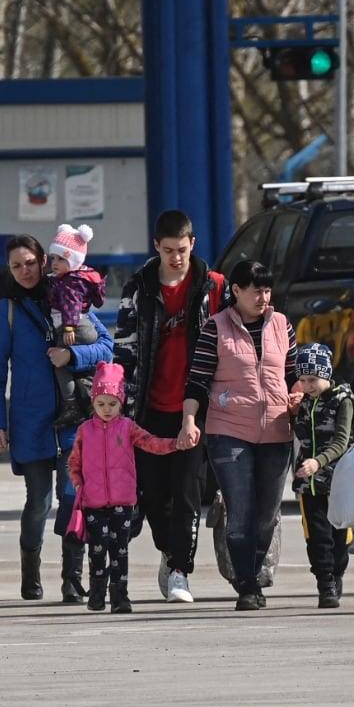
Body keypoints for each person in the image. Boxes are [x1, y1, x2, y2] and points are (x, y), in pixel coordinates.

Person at [0, 234, 114, 603]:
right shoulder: (6, 311)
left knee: (73, 498)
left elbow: (107, 347)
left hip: (75, 419)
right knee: (38, 501)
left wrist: (73, 358)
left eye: (30, 262)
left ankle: (72, 578)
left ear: (44, 260)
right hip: (31, 422)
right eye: (16, 265)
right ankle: (30, 570)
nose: (25, 270)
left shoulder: (72, 296)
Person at [114, 209, 225, 604]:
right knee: (152, 495)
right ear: (156, 247)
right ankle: (169, 551)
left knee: (188, 492)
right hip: (149, 407)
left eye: (182, 249)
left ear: (192, 244)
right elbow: (124, 347)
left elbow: (234, 342)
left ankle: (181, 570)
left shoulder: (213, 287)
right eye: (168, 251)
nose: (176, 258)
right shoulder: (139, 287)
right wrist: (120, 408)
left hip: (195, 407)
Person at [181, 259, 298, 612]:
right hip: (228, 431)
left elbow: (294, 373)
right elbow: (197, 381)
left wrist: (298, 394)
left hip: (277, 431)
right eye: (254, 290)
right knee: (241, 511)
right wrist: (189, 420)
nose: (262, 297)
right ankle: (247, 584)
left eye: (266, 289)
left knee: (266, 515)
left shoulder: (282, 326)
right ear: (236, 291)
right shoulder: (215, 328)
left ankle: (252, 568)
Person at [67, 362, 194, 613]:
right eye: (101, 404)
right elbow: (74, 462)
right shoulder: (85, 431)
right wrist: (80, 485)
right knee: (97, 549)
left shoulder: (127, 427)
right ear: (93, 402)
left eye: (112, 404)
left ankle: (120, 596)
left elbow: (151, 443)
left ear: (121, 403)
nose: (106, 409)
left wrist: (174, 445)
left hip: (123, 502)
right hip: (93, 502)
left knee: (120, 550)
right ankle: (97, 591)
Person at [290, 342, 354, 609]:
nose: (308, 386)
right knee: (317, 538)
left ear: (327, 374)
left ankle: (337, 573)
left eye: (313, 379)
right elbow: (302, 435)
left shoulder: (343, 400)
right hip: (309, 484)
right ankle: (325, 584)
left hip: (339, 480)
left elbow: (342, 441)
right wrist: (293, 413)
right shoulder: (306, 402)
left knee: (339, 538)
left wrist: (318, 462)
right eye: (303, 381)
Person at [46, 223, 107, 428]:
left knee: (60, 365)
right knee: (79, 370)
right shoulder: (78, 277)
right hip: (85, 325)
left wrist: (69, 327)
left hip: (75, 327)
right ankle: (89, 400)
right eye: (53, 258)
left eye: (61, 259)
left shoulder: (69, 282)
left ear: (73, 260)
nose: (54, 263)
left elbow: (71, 303)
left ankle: (71, 405)